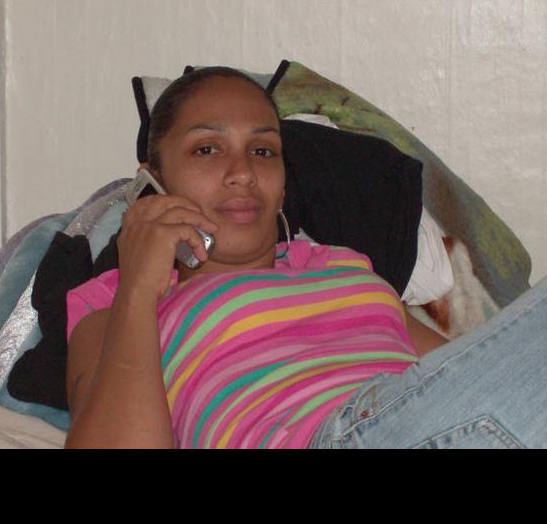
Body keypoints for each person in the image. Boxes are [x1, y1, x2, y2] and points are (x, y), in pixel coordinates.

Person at [64, 66, 547, 449]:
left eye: (263, 151)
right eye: (207, 149)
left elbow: (465, 376)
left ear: (283, 185)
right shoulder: (115, 306)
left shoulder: (344, 267)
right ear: (152, 182)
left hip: (412, 418)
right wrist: (138, 286)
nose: (242, 172)